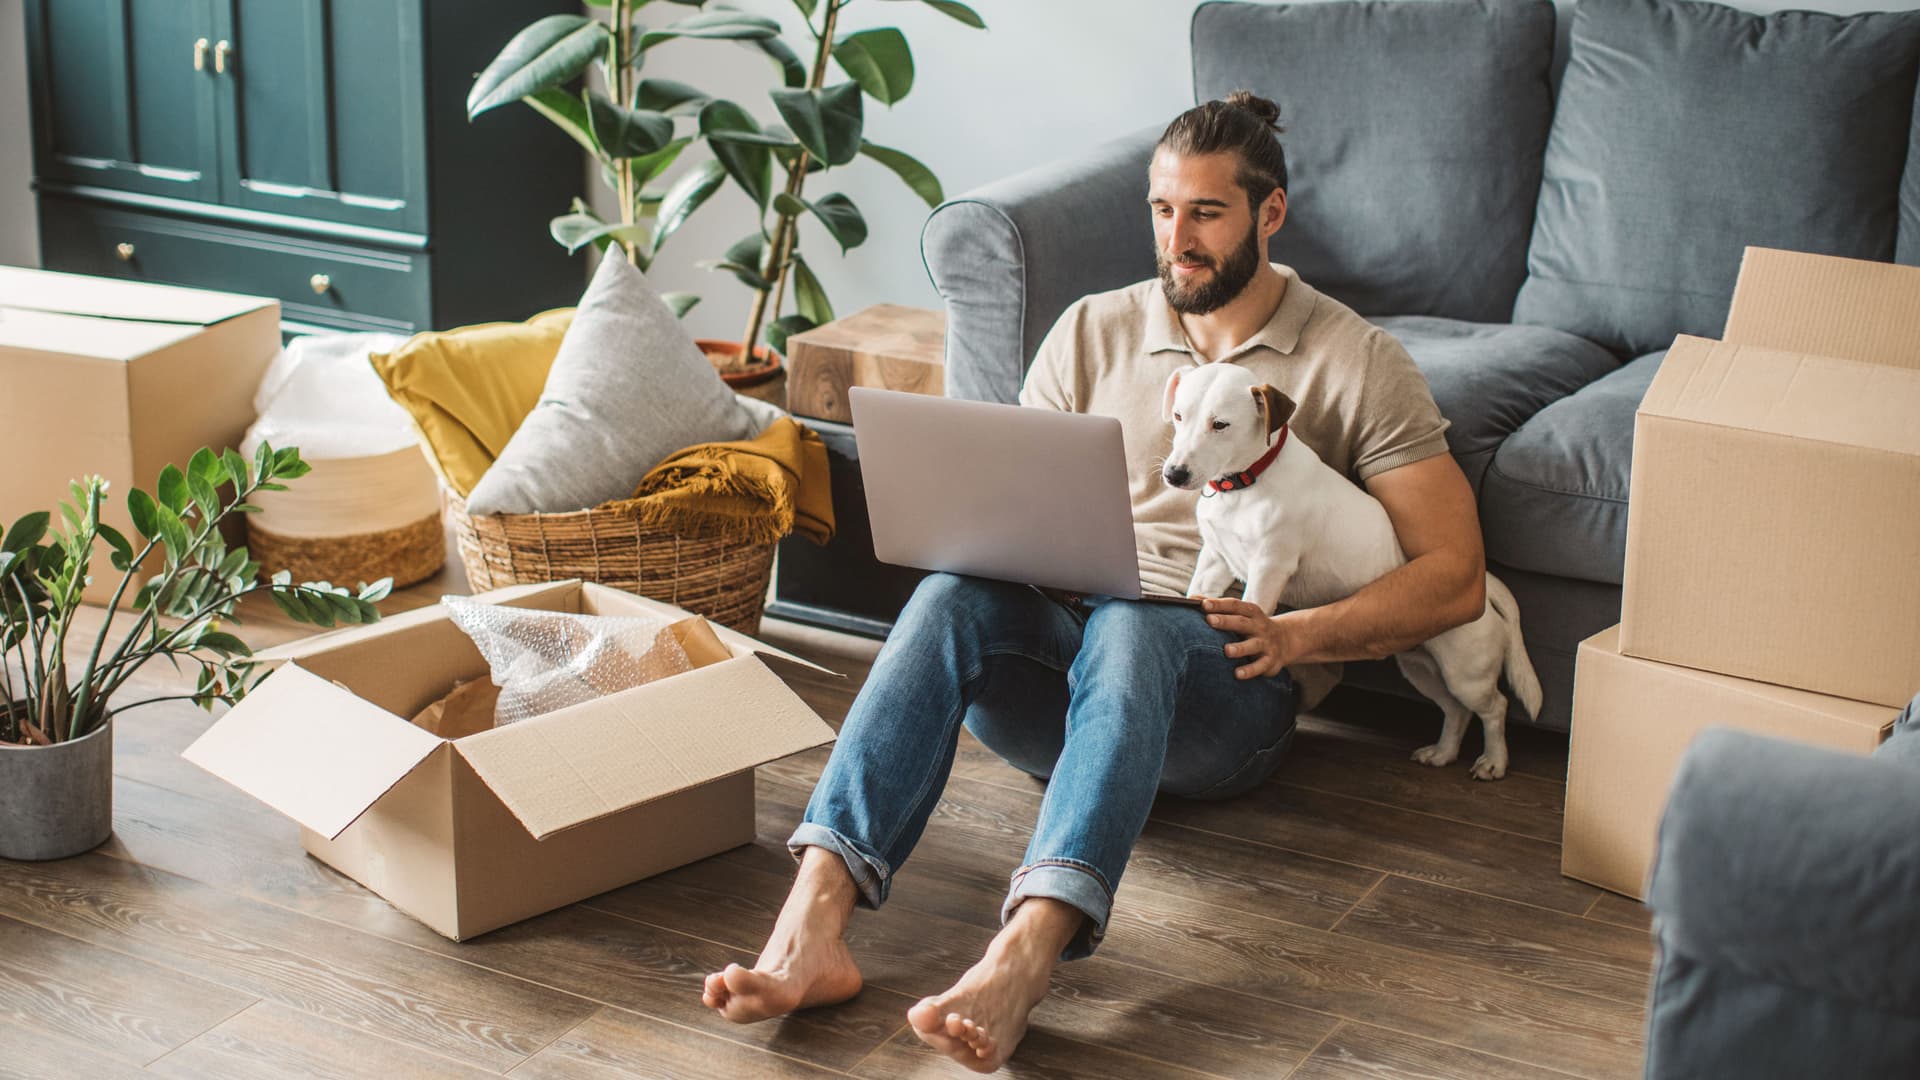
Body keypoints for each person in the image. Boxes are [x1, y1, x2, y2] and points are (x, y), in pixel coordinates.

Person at [700, 90, 1488, 1073]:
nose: (1179, 238)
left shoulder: (1356, 360)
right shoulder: (1090, 331)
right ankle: (810, 929)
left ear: (1270, 214)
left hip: (1224, 698)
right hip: (1059, 684)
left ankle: (1027, 954)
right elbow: (1008, 504)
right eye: (1163, 211)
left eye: (1207, 213)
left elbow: (1455, 578)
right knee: (953, 593)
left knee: (1137, 624)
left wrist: (1299, 636)